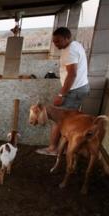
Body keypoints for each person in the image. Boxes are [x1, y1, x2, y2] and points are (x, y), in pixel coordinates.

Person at [36, 27, 90, 156]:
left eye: (58, 41)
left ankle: (53, 148)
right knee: (68, 119)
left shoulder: (70, 51)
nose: (56, 44)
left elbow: (72, 74)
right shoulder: (75, 45)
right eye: (54, 41)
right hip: (80, 88)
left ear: (67, 38)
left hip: (74, 91)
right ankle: (68, 147)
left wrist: (61, 94)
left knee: (59, 119)